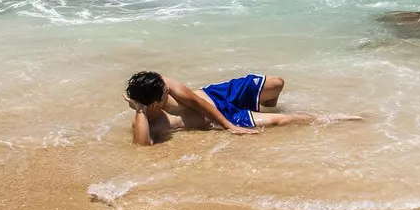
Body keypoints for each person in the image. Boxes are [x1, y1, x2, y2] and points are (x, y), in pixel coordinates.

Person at [126, 69, 316, 144]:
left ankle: (266, 106)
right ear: (152, 105)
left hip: (217, 95)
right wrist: (140, 110)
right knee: (282, 121)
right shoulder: (146, 123)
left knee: (277, 83)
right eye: (165, 95)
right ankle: (329, 118)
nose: (168, 92)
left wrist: (229, 127)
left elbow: (197, 101)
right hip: (227, 115)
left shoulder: (161, 84)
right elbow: (142, 148)